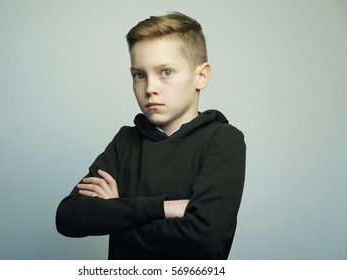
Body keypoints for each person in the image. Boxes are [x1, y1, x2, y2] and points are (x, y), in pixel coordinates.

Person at [56, 11, 246, 260]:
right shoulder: (125, 141)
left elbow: (203, 239)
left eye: (166, 72)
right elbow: (68, 217)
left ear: (201, 76)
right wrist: (165, 208)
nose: (150, 88)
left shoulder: (222, 140)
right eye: (139, 75)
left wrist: (116, 210)